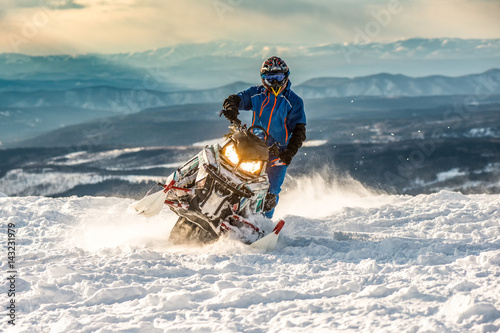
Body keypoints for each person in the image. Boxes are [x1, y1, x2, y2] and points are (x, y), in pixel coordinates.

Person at [221, 56, 306, 218]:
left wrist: (290, 152)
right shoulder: (256, 93)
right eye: (270, 78)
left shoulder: (294, 101)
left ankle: (262, 222)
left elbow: (299, 130)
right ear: (263, 79)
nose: (274, 82)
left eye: (278, 77)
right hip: (252, 145)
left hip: (278, 151)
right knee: (226, 165)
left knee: (271, 189)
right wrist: (231, 106)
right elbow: (237, 98)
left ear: (286, 76)